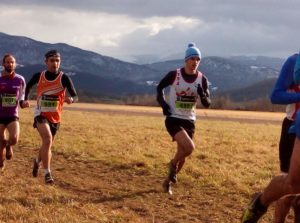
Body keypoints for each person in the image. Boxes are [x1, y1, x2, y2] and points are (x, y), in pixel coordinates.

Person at [241, 52, 300, 222]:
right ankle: (259, 205)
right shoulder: (295, 61)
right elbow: (276, 95)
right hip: (292, 128)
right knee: (290, 190)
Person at [156, 43, 211, 195]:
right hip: (173, 118)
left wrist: (202, 94)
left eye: (198, 59)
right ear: (186, 60)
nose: (195, 62)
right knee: (189, 148)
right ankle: (172, 164)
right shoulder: (175, 75)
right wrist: (163, 104)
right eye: (192, 58)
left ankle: (167, 182)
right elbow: (159, 87)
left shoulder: (202, 79)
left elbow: (207, 104)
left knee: (183, 156)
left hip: (189, 120)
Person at [22, 50, 78, 184]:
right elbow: (28, 86)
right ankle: (47, 173)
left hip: (56, 117)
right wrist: (25, 99)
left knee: (47, 144)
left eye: (57, 60)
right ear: (46, 62)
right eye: (52, 60)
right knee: (47, 139)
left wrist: (71, 99)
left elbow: (75, 95)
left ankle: (37, 161)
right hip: (41, 114)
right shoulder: (39, 76)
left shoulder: (64, 78)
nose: (55, 63)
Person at [0, 54, 26, 170]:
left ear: (15, 64)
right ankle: (1, 163)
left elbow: (22, 95)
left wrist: (23, 102)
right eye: (8, 62)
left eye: (12, 62)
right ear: (3, 64)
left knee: (14, 138)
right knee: (0, 142)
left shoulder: (20, 79)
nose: (10, 64)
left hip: (12, 114)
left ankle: (9, 145)